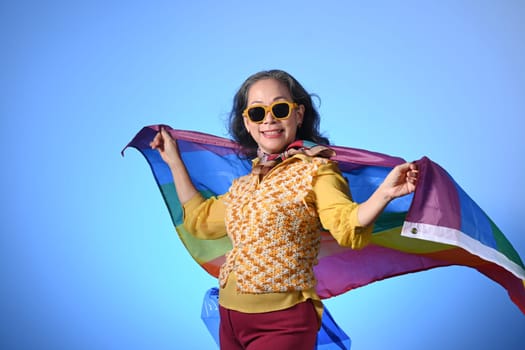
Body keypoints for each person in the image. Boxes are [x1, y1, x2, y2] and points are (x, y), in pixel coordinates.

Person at [150, 69, 418, 350]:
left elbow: (346, 225)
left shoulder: (317, 171)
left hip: (282, 324)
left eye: (279, 108)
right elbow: (199, 220)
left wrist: (384, 194)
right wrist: (174, 162)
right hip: (229, 319)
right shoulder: (245, 185)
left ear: (298, 114)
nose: (269, 119)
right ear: (248, 122)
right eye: (257, 113)